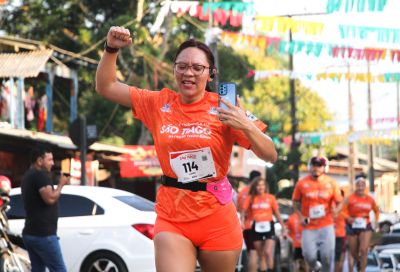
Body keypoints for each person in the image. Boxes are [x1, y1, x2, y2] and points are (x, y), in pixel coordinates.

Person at [96, 26, 277, 272]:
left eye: (197, 68)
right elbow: (106, 87)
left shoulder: (225, 107)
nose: (188, 73)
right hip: (173, 217)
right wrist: (111, 49)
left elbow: (271, 154)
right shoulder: (159, 102)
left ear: (210, 74)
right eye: (182, 66)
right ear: (174, 70)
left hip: (216, 217)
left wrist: (246, 124)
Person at [21, 146, 70, 272]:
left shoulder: (28, 176)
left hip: (31, 232)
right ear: (39, 161)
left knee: (38, 269)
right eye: (49, 160)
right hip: (43, 234)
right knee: (59, 269)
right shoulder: (40, 176)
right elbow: (50, 199)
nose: (52, 163)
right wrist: (61, 184)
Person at [292, 156, 343, 272]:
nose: (316, 168)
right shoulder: (302, 183)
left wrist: (337, 210)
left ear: (325, 168)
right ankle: (316, 267)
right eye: (314, 165)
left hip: (326, 224)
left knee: (327, 256)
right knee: (308, 255)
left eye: (319, 166)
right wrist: (300, 216)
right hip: (309, 225)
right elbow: (295, 202)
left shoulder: (332, 183)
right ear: (310, 167)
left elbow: (340, 202)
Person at [241, 176, 286, 272]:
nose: (260, 187)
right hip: (256, 227)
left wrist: (284, 227)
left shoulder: (271, 198)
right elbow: (243, 211)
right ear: (255, 187)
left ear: (265, 186)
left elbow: (277, 214)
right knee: (260, 254)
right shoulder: (251, 198)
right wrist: (242, 223)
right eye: (258, 185)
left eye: (262, 185)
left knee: (268, 252)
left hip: (269, 226)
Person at [342, 175, 379, 272]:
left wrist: (376, 221)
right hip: (352, 225)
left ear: (365, 186)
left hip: (365, 225)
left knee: (363, 250)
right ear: (355, 186)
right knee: (354, 252)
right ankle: (358, 261)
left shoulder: (370, 199)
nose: (360, 187)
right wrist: (348, 218)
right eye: (358, 185)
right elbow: (341, 211)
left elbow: (376, 210)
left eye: (362, 185)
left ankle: (362, 270)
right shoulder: (349, 198)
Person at [237, 170, 261, 272]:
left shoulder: (242, 192)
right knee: (254, 253)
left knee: (247, 253)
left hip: (243, 226)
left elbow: (238, 208)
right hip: (255, 226)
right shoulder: (256, 192)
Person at [334, 189, 347, 272]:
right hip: (329, 237)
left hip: (341, 236)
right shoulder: (329, 206)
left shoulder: (345, 208)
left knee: (340, 259)